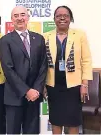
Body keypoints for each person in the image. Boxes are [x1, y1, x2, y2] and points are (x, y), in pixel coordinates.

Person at [43, 5, 93, 134]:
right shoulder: (46, 36)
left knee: (73, 120)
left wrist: (84, 84)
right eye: (58, 16)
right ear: (54, 19)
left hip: (74, 86)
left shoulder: (80, 35)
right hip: (53, 85)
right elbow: (42, 64)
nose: (62, 18)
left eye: (65, 16)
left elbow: (86, 60)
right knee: (56, 120)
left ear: (70, 18)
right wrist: (43, 84)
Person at [0, 6, 48, 134]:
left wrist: (36, 89)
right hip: (14, 96)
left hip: (34, 97)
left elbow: (43, 66)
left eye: (22, 15)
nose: (20, 18)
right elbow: (8, 69)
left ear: (28, 17)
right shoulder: (5, 40)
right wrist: (26, 91)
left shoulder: (39, 39)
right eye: (16, 16)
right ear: (12, 19)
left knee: (32, 131)